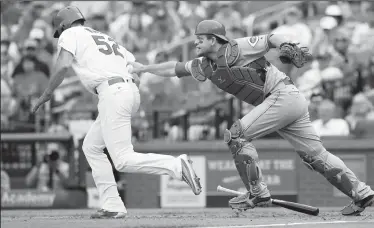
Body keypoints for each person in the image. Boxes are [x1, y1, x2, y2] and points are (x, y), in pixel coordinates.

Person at [129, 20, 374, 216]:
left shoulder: (236, 48)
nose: (196, 43)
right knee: (316, 156)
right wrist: (144, 69)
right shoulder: (204, 65)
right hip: (284, 102)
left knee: (237, 134)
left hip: (281, 96)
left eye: (200, 39)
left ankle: (257, 192)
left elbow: (270, 39)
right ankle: (361, 193)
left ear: (214, 40)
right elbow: (174, 67)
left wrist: (286, 44)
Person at [31, 6, 201, 219]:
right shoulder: (105, 38)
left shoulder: (70, 33)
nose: (60, 33)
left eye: (59, 30)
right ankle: (112, 204)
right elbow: (136, 71)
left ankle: (176, 165)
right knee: (91, 147)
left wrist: (47, 93)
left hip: (112, 92)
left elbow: (63, 65)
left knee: (122, 159)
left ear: (63, 25)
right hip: (126, 91)